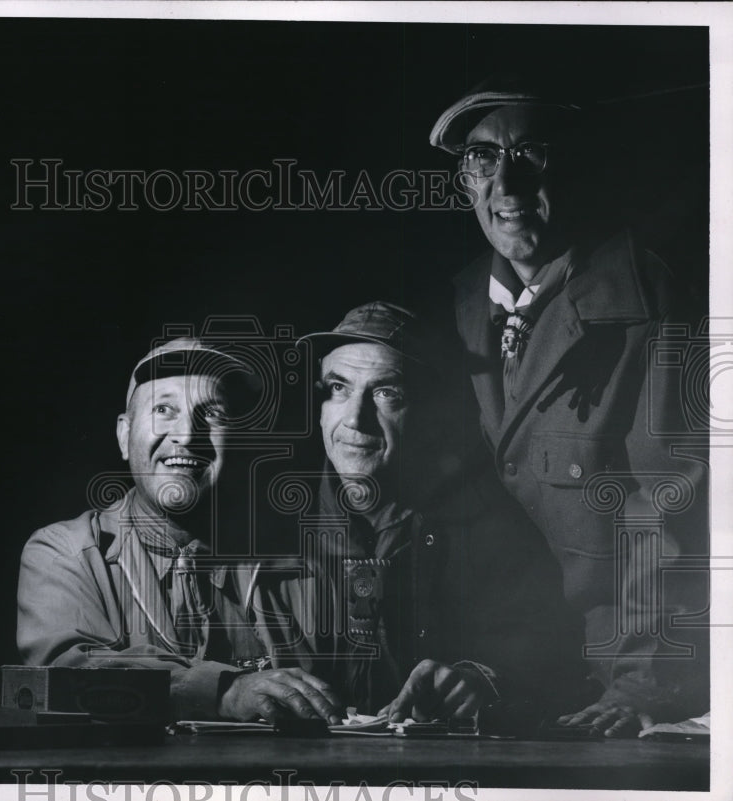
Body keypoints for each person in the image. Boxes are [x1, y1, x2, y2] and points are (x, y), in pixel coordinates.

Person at [428, 75, 709, 735]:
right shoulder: (466, 302)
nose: (508, 185)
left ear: (578, 163)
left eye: (533, 154)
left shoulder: (647, 299)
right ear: (466, 183)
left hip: (624, 672)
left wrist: (643, 685)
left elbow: (667, 512)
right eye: (484, 159)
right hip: (517, 660)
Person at [268, 301, 594, 723]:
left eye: (387, 393)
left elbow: (552, 658)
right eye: (338, 388)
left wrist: (479, 679)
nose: (355, 419)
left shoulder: (493, 529)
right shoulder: (269, 524)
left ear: (426, 412)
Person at [16, 337, 343, 724]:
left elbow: (361, 697)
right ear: (124, 435)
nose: (187, 435)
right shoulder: (64, 553)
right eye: (164, 409)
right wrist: (224, 691)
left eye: (213, 414)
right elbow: (69, 676)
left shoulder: (306, 565)